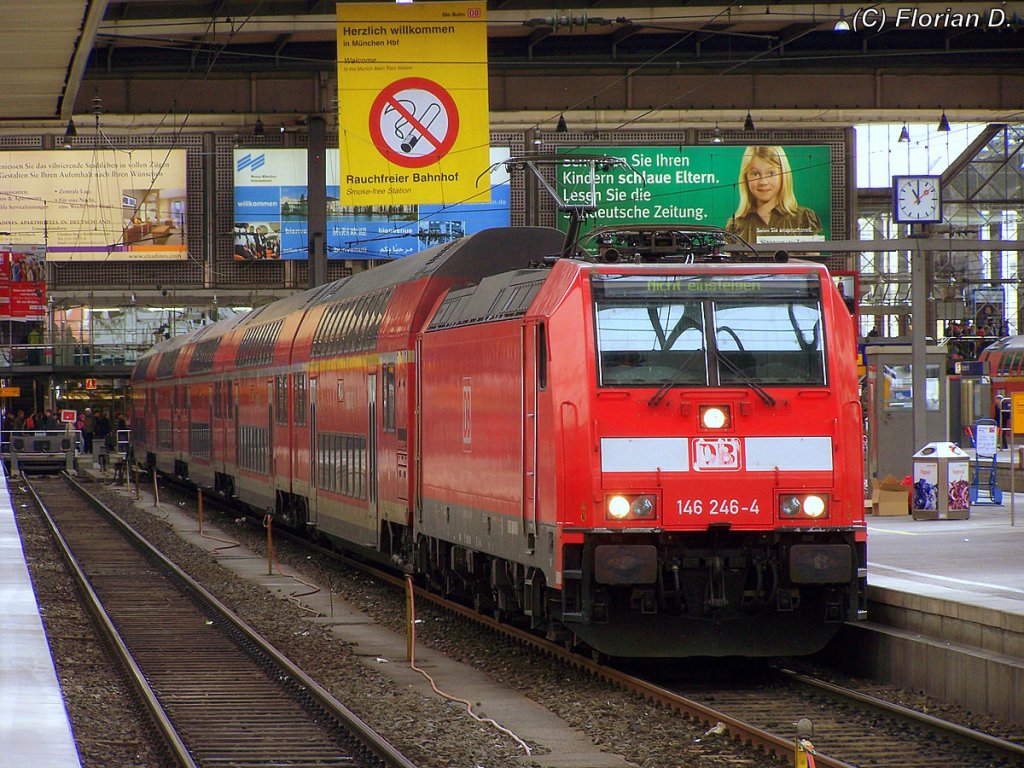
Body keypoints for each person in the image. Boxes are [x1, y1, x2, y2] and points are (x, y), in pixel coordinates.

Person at [725, 145, 822, 245]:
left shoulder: (804, 218)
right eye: (755, 174)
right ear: (746, 177)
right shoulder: (735, 225)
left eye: (771, 173)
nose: (763, 182)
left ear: (783, 175)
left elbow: (813, 260)